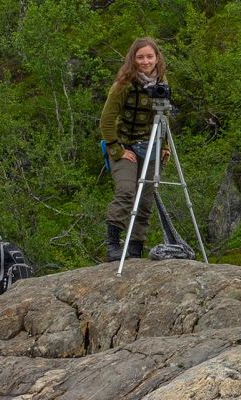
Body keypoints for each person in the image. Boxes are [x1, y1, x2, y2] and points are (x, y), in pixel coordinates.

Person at [100, 37, 170, 262]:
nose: (145, 61)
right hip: (125, 146)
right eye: (140, 57)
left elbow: (163, 116)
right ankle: (113, 245)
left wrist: (165, 145)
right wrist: (116, 149)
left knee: (146, 199)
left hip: (150, 146)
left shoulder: (161, 83)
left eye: (150, 56)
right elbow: (107, 119)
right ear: (133, 59)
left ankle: (135, 247)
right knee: (127, 190)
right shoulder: (124, 84)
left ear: (157, 58)